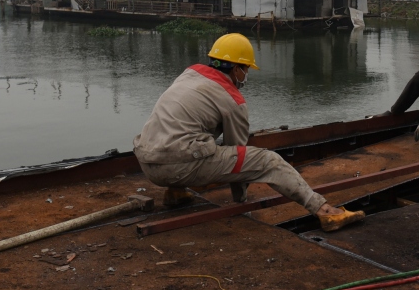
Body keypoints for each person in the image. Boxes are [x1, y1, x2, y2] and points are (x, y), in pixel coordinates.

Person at [133, 33, 364, 231]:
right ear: (236, 69)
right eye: (245, 69)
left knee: (191, 132)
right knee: (268, 161)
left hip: (147, 162)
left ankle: (175, 193)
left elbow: (181, 124)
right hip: (177, 167)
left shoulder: (189, 74)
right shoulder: (233, 100)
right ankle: (325, 211)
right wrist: (240, 204)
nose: (246, 75)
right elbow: (240, 156)